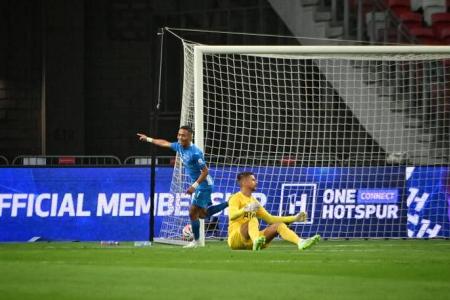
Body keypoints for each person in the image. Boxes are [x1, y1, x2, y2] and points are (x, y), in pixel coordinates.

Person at [137, 125, 228, 248]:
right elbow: (164, 143)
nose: (180, 137)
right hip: (200, 185)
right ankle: (230, 202)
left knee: (192, 212)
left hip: (204, 185)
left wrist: (194, 186)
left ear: (190, 137)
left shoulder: (195, 153)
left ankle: (196, 241)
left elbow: (205, 171)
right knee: (202, 214)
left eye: (183, 135)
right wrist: (148, 139)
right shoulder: (179, 146)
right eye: (179, 134)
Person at [228, 171, 320, 251]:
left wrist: (294, 218)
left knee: (279, 226)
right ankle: (256, 240)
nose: (256, 182)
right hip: (236, 239)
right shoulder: (235, 198)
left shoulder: (254, 202)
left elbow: (270, 219)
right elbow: (232, 215)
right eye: (253, 180)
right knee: (253, 219)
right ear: (244, 182)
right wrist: (245, 209)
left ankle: (300, 242)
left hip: (252, 241)